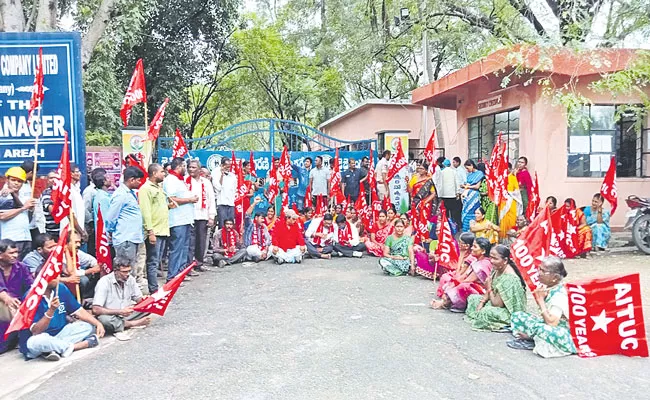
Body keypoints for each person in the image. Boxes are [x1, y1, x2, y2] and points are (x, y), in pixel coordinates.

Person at [18, 266, 105, 361]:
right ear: (44, 279)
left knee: (87, 326)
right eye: (55, 277)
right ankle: (78, 346)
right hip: (38, 339)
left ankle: (52, 349)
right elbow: (36, 331)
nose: (58, 279)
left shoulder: (61, 288)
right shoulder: (30, 297)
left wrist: (97, 323)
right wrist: (51, 310)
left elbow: (78, 310)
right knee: (38, 341)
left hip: (60, 334)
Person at [508, 256, 576, 358]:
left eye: (543, 271)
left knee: (543, 329)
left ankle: (535, 338)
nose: (538, 273)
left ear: (555, 278)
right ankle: (534, 337)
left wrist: (540, 301)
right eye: (539, 268)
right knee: (517, 315)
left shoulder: (560, 294)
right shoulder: (547, 287)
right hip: (545, 322)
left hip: (562, 330)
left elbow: (552, 323)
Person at [464, 245, 527, 331]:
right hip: (493, 300)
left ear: (505, 260)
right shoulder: (497, 268)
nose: (492, 261)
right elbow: (489, 293)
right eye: (491, 257)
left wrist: (488, 286)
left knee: (486, 312)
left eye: (495, 259)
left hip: (506, 311)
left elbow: (497, 304)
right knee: (473, 299)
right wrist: (481, 303)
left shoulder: (508, 278)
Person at [105, 166, 146, 289]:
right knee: (124, 271)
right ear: (131, 180)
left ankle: (129, 294)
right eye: (138, 180)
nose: (140, 183)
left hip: (132, 237)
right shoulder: (121, 195)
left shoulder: (131, 194)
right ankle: (122, 296)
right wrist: (111, 231)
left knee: (131, 269)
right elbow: (111, 217)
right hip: (125, 238)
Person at [92, 258, 151, 341]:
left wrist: (146, 301)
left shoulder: (130, 279)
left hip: (127, 313)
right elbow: (96, 309)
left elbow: (138, 299)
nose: (127, 274)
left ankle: (121, 325)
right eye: (124, 272)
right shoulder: (104, 282)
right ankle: (133, 323)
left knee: (149, 307)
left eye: (129, 271)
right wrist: (120, 311)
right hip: (111, 315)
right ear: (115, 271)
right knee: (104, 319)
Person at [431, 238, 492, 311]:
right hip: (471, 284)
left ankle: (448, 303)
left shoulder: (484, 264)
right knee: (449, 280)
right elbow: (463, 276)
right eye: (472, 246)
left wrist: (450, 291)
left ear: (483, 251)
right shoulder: (475, 260)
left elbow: (467, 280)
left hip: (481, 291)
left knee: (464, 286)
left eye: (475, 247)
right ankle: (446, 300)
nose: (472, 248)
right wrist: (451, 285)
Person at [164, 158, 198, 281]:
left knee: (184, 248)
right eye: (185, 166)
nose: (187, 169)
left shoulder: (179, 180)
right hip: (177, 220)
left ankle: (180, 274)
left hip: (186, 219)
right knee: (176, 249)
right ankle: (172, 277)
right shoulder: (171, 180)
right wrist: (190, 200)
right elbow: (172, 199)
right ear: (180, 166)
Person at [139, 163, 171, 294]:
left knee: (157, 261)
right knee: (152, 262)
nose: (164, 174)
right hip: (155, 231)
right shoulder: (145, 189)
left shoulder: (159, 188)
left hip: (163, 230)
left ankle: (155, 288)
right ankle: (154, 290)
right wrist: (150, 231)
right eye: (162, 172)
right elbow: (145, 211)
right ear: (154, 173)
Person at [0, 240, 34, 353]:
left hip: (19, 303)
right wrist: (7, 299)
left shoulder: (21, 267)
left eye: (16, 252)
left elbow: (31, 286)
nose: (15, 255)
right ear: (1, 255)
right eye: (11, 253)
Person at [0, 167, 36, 260]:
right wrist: (24, 207)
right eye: (13, 180)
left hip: (26, 237)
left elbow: (28, 215)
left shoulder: (23, 196)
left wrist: (29, 208)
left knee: (22, 268)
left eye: (19, 181)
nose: (16, 183)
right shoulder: (3, 196)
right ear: (7, 180)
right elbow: (2, 216)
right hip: (11, 238)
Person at [186, 160, 216, 272]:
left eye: (194, 167)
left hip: (202, 215)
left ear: (199, 170)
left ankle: (199, 263)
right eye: (189, 167)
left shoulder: (206, 182)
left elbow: (211, 199)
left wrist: (211, 216)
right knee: (190, 242)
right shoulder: (185, 181)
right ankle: (189, 265)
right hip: (189, 216)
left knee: (201, 241)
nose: (191, 169)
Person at [63, 230, 101, 300]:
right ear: (66, 243)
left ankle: (88, 298)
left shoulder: (77, 252)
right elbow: (70, 272)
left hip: (78, 275)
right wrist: (89, 271)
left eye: (79, 242)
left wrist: (96, 267)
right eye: (75, 242)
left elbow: (91, 260)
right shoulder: (61, 255)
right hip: (67, 279)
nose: (78, 245)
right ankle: (79, 300)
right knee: (83, 280)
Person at [83, 167, 107, 255]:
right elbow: (86, 209)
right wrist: (91, 223)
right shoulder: (89, 191)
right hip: (93, 226)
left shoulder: (101, 190)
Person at [61, 163, 87, 241]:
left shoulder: (76, 189)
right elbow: (70, 214)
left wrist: (83, 229)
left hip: (78, 231)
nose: (79, 174)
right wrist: (81, 231)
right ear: (71, 174)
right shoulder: (68, 190)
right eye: (77, 171)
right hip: (70, 233)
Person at [243, 198, 272, 262]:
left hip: (263, 249)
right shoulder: (250, 225)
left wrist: (265, 250)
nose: (263, 220)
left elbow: (268, 239)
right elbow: (247, 215)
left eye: (264, 219)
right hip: (254, 248)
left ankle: (260, 257)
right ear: (256, 218)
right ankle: (260, 256)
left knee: (272, 248)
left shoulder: (264, 226)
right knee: (251, 249)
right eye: (261, 218)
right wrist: (254, 203)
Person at [498, 163, 523, 238]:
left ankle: (511, 237)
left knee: (512, 219)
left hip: (512, 201)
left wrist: (509, 193)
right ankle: (503, 238)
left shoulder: (512, 177)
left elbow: (517, 191)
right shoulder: (500, 178)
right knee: (503, 219)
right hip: (503, 201)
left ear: (509, 169)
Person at [460, 159, 485, 232]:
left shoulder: (479, 174)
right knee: (465, 212)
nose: (467, 170)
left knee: (473, 212)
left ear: (471, 165)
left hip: (474, 196)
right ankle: (465, 229)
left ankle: (473, 229)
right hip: (467, 196)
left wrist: (468, 187)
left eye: (467, 168)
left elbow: (477, 186)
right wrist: (464, 186)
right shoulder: (469, 175)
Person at [213, 157, 237, 229]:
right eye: (226, 166)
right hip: (221, 203)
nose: (227, 169)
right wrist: (222, 175)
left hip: (231, 203)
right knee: (223, 225)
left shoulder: (232, 176)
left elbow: (234, 189)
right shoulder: (215, 173)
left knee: (231, 224)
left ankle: (230, 239)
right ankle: (222, 239)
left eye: (229, 167)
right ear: (221, 165)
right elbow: (218, 188)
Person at [439, 158, 463, 227]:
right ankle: (454, 225)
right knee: (453, 212)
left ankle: (446, 226)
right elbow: (457, 182)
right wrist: (457, 192)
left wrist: (440, 194)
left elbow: (439, 184)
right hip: (452, 195)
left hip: (444, 195)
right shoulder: (453, 172)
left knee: (445, 212)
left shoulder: (441, 172)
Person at [41, 171, 61, 240]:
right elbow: (53, 211)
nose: (54, 180)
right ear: (47, 180)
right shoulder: (47, 193)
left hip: (65, 230)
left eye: (56, 178)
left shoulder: (64, 192)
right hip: (53, 233)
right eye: (51, 178)